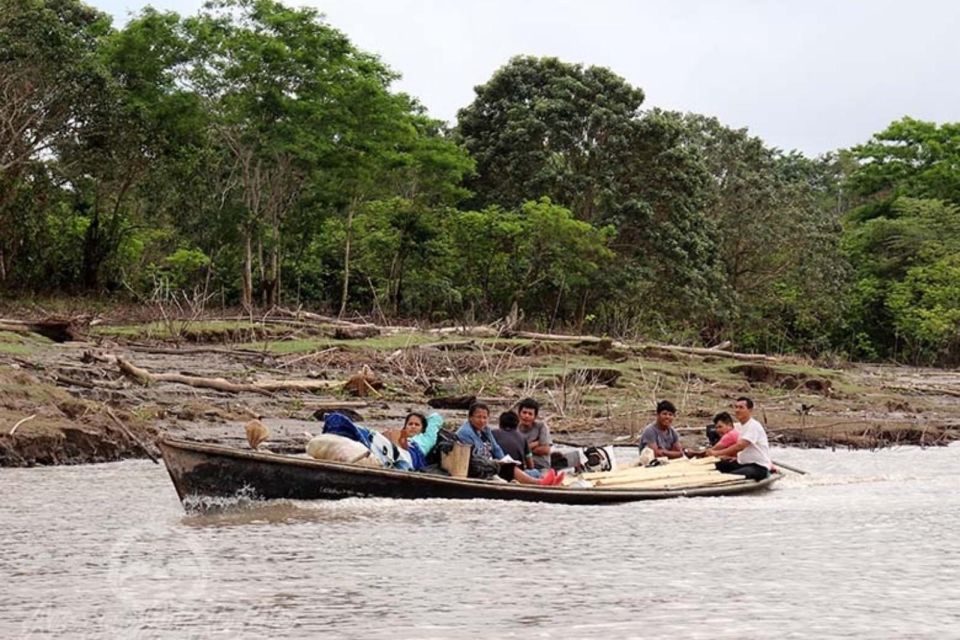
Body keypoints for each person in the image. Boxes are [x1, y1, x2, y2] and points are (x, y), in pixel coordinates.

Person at [456, 402, 562, 486]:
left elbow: (496, 448)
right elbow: (475, 457)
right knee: (516, 470)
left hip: (490, 464)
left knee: (513, 467)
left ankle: (543, 480)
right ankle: (539, 483)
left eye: (485, 417)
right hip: (477, 466)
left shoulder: (486, 430)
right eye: (478, 417)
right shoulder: (466, 432)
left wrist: (504, 460)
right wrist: (496, 463)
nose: (482, 420)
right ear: (470, 417)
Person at [709, 397, 772, 481]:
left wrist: (717, 453)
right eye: (736, 407)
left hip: (758, 466)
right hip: (742, 463)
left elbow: (740, 446)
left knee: (731, 476)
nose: (737, 410)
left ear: (750, 410)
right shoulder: (740, 426)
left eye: (741, 407)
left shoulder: (753, 426)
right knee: (716, 465)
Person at [492, 411, 539, 476]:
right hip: (517, 473)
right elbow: (530, 465)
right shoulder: (522, 438)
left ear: (500, 424)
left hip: (497, 472)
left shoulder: (493, 433)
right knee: (535, 472)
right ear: (517, 424)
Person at [516, 397, 553, 470]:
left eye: (530, 414)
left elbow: (546, 450)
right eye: (524, 412)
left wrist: (524, 449)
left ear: (535, 417)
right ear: (519, 414)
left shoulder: (541, 427)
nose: (526, 416)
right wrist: (535, 444)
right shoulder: (515, 428)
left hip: (540, 465)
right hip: (520, 465)